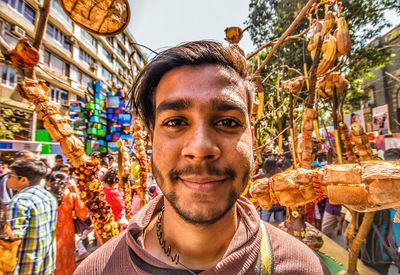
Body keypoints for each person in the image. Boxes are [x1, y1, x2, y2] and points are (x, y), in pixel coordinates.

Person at [75, 41, 328, 274]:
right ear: (152, 139)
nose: (200, 148)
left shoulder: (303, 268)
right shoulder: (97, 270)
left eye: (228, 122)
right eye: (175, 122)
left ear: (251, 139)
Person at [6, 159, 58, 274]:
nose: (7, 178)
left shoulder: (20, 201)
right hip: (45, 265)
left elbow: (12, 240)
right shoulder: (48, 197)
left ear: (23, 180)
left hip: (24, 267)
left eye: (10, 175)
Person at [45, 171, 89, 275]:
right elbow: (83, 214)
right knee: (67, 260)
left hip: (48, 232)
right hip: (67, 232)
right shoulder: (72, 195)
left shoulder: (44, 196)